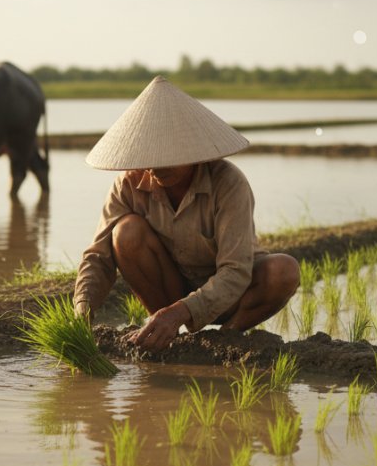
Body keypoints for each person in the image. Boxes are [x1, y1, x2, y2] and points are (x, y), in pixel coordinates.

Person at [73, 76, 300, 351]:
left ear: (193, 151)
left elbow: (236, 271)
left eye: (168, 156)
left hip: (234, 295)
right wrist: (82, 309)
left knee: (284, 270)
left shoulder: (228, 183)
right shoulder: (128, 184)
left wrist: (181, 311)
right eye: (149, 157)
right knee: (125, 232)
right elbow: (98, 256)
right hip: (169, 289)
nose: (156, 167)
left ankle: (226, 337)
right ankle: (170, 333)